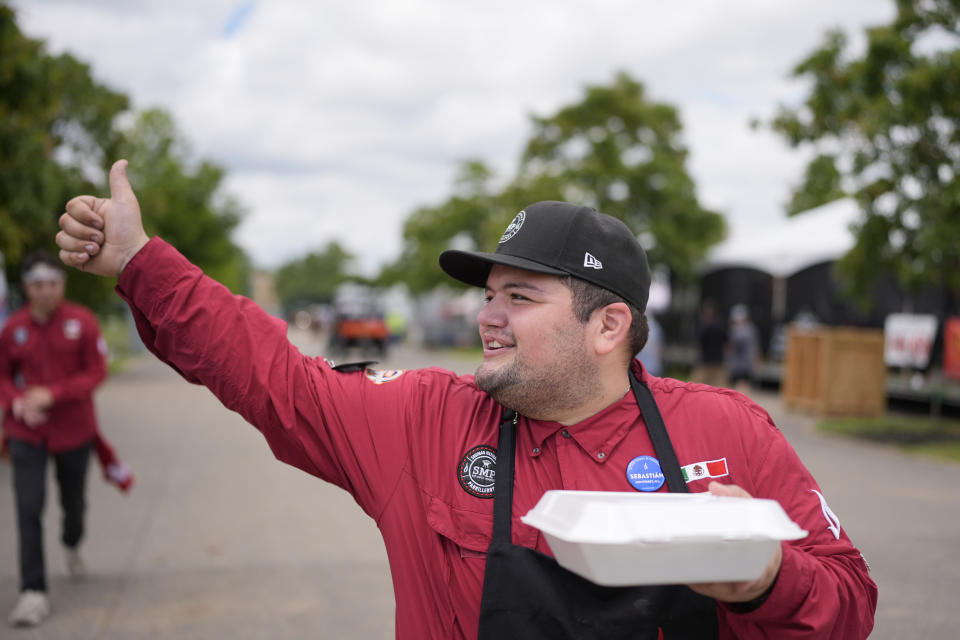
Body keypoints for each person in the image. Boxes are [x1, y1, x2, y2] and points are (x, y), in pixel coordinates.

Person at [55, 160, 877, 639]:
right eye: (489, 294)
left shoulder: (728, 429)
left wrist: (765, 576)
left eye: (519, 298)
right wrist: (141, 263)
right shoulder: (425, 420)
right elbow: (269, 370)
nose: (486, 316)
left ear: (610, 325)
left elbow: (851, 606)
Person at [0, 252, 109, 627]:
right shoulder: (12, 328)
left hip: (74, 430)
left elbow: (96, 372)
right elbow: (2, 378)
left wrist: (54, 394)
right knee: (28, 509)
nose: (46, 292)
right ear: (26, 288)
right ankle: (33, 593)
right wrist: (16, 403)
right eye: (37, 285)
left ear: (62, 284)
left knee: (73, 504)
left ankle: (72, 541)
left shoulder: (82, 322)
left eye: (52, 284)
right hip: (26, 434)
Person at [691, 299, 727, 387]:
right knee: (719, 389)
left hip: (705, 362)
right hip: (717, 361)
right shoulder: (720, 326)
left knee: (696, 388)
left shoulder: (703, 326)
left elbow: (697, 339)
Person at [726, 304, 760, 394]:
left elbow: (734, 346)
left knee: (740, 388)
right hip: (743, 363)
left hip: (742, 364)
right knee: (742, 387)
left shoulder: (739, 330)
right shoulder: (750, 329)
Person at [635, 312, 664, 377]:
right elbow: (660, 349)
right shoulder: (657, 327)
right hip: (653, 367)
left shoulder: (637, 326)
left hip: (641, 367)